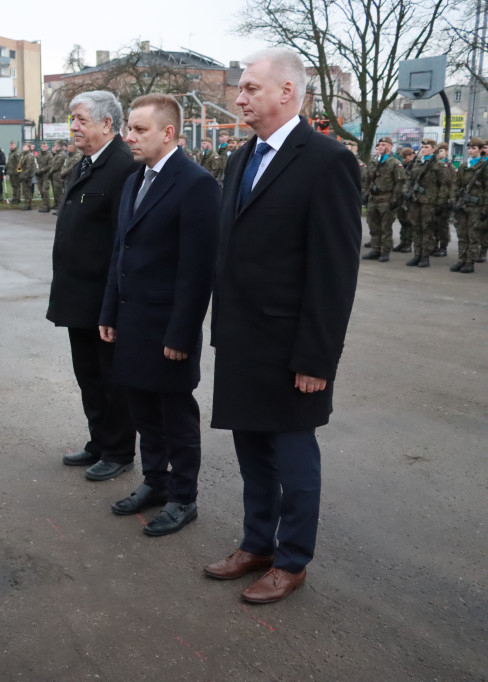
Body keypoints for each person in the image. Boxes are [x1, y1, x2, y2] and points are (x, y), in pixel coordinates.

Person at [203, 47, 360, 604]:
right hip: (245, 341)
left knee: (295, 457)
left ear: (286, 92)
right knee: (252, 453)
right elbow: (231, 252)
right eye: (240, 89)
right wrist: (222, 335)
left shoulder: (326, 161)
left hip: (293, 346)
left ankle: (292, 560)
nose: (239, 98)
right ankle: (257, 543)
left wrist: (316, 360)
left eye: (248, 88)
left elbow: (334, 273)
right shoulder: (240, 158)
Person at [98, 94, 220, 536]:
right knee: (143, 409)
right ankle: (155, 482)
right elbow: (120, 252)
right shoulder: (136, 179)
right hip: (132, 322)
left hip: (168, 327)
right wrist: (110, 309)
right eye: (129, 128)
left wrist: (181, 334)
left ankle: (183, 497)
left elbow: (197, 270)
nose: (129, 136)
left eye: (139, 129)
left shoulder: (196, 184)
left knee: (175, 416)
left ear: (168, 133)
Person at [47, 90, 139, 482]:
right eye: (73, 120)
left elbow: (125, 239)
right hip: (78, 295)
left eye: (81, 119)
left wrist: (114, 303)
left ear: (107, 124)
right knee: (88, 374)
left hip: (104, 297)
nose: (74, 127)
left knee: (111, 378)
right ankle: (99, 441)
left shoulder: (122, 166)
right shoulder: (87, 163)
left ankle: (118, 450)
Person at [405, 139, 451, 268]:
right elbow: (409, 178)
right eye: (422, 147)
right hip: (415, 200)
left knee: (427, 230)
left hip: (429, 202)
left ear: (433, 149)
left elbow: (444, 186)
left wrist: (440, 203)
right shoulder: (418, 162)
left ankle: (425, 256)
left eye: (426, 147)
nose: (423, 149)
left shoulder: (439, 165)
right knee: (416, 228)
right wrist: (406, 191)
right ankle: (417, 255)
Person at [361, 137, 405, 262]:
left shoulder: (395, 163)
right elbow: (366, 179)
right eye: (379, 144)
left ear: (390, 147)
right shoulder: (374, 161)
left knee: (385, 227)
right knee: (373, 225)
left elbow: (399, 182)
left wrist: (395, 199)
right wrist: (365, 193)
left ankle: (385, 251)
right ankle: (375, 249)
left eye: (384, 144)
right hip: (373, 198)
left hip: (386, 197)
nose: (380, 146)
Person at [451, 138, 487, 273]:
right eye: (469, 148)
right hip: (463, 205)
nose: (471, 151)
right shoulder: (463, 166)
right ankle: (461, 259)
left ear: (480, 149)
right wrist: (454, 201)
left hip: (477, 206)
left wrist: (485, 208)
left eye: (474, 148)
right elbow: (456, 185)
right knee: (462, 234)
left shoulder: (484, 166)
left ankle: (470, 262)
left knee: (473, 235)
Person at [393, 147, 417, 253]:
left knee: (409, 221)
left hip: (410, 196)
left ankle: (408, 244)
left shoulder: (417, 165)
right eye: (402, 157)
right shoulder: (404, 166)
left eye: (405, 157)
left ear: (412, 155)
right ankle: (403, 241)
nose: (404, 159)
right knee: (402, 220)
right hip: (402, 196)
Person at [35, 141, 54, 212]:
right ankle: (44, 205)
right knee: (41, 191)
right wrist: (37, 170)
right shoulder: (38, 155)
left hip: (46, 175)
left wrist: (41, 170)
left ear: (47, 147)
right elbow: (36, 164)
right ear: (41, 147)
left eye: (45, 146)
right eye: (43, 146)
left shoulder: (49, 155)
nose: (44, 148)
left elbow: (50, 165)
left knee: (45, 190)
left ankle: (48, 206)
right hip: (39, 176)